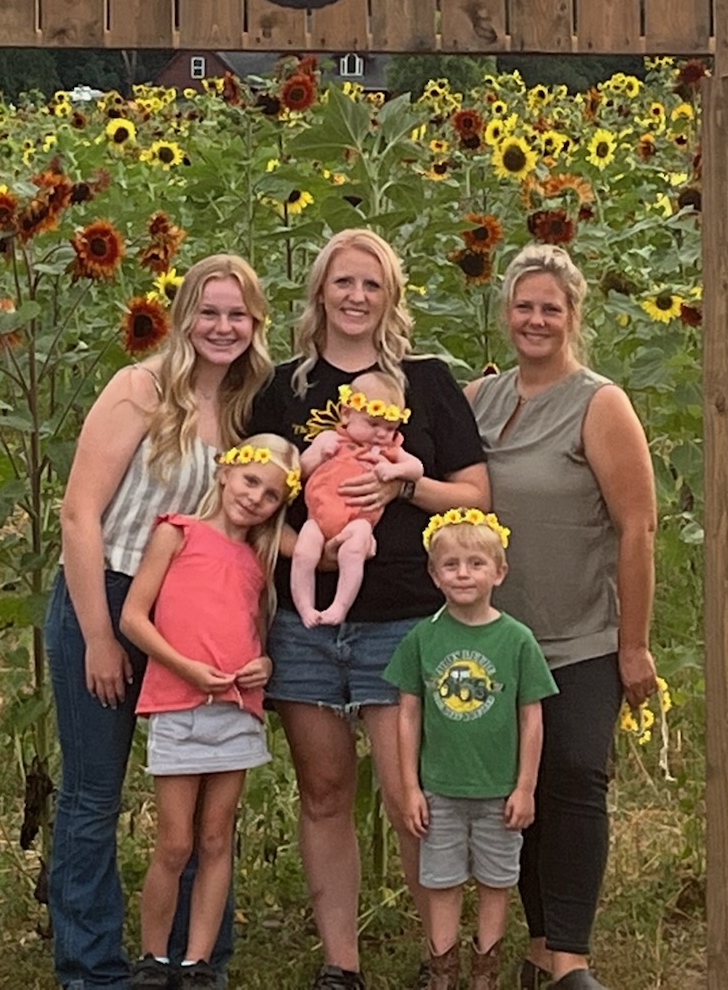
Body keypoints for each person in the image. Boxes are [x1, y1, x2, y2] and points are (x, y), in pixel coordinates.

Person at [247, 227, 492, 990]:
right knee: (323, 791)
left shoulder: (426, 381)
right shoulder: (283, 388)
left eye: (372, 285)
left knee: (406, 793)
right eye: (342, 282)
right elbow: (252, 502)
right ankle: (339, 965)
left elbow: (476, 496)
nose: (356, 297)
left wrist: (403, 487)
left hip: (402, 617)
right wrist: (306, 555)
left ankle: (440, 958)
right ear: (319, 291)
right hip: (309, 619)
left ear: (391, 298)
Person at [47, 254, 273, 990]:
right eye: (208, 311)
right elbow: (79, 513)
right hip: (110, 596)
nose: (222, 326)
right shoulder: (139, 390)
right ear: (183, 316)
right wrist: (100, 634)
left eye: (237, 314)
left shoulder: (245, 409)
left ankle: (193, 959)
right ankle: (93, 967)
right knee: (93, 792)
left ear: (255, 324)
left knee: (206, 794)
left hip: (200, 617)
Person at [465, 245, 659, 990]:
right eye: (523, 305)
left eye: (551, 307)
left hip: (580, 634)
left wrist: (633, 645)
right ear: (505, 312)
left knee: (576, 774)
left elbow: (637, 528)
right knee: (524, 788)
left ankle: (572, 959)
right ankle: (540, 946)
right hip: (495, 638)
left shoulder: (598, 403)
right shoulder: (479, 399)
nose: (535, 319)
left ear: (573, 317)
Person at [120, 438, 298, 990]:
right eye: (250, 482)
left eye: (271, 495)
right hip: (178, 703)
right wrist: (186, 668)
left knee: (218, 838)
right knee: (175, 841)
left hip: (236, 713)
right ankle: (154, 958)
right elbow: (133, 617)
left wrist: (264, 664)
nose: (256, 499)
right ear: (225, 473)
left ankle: (198, 964)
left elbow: (255, 633)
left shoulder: (259, 560)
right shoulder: (177, 532)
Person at [385, 510, 557, 990]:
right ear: (434, 574)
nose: (464, 574)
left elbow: (532, 716)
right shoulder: (423, 637)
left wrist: (525, 787)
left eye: (476, 564)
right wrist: (410, 786)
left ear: (499, 572)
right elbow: (407, 713)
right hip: (439, 790)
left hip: (499, 792)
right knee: (440, 882)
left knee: (495, 883)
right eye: (452, 565)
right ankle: (443, 973)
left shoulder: (517, 640)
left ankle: (485, 976)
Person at [290, 370, 424, 628]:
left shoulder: (387, 449)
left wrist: (395, 471)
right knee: (303, 553)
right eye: (373, 424)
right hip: (318, 518)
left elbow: (416, 468)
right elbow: (300, 470)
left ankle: (339, 606)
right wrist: (319, 455)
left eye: (390, 428)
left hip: (358, 519)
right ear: (347, 414)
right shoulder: (329, 439)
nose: (382, 434)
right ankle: (305, 606)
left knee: (353, 551)